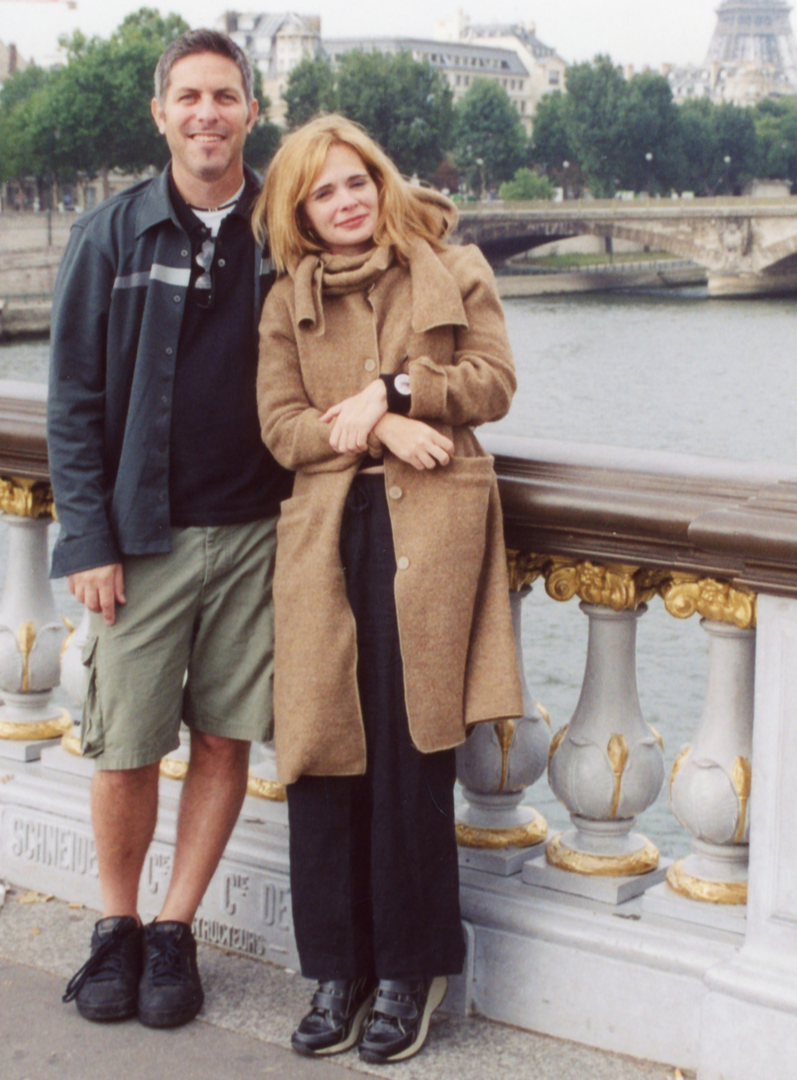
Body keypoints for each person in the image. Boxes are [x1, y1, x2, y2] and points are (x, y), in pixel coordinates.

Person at [253, 115, 523, 1064]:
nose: (348, 201)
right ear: (303, 212)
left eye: (357, 180)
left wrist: (399, 394)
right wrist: (374, 430)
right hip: (329, 538)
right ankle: (339, 969)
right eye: (324, 192)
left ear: (381, 179)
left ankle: (410, 970)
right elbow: (281, 430)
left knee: (414, 756)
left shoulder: (453, 265)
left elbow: (492, 381)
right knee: (325, 755)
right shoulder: (287, 301)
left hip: (431, 536)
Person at [46, 29, 288, 1031]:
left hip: (259, 532)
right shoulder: (111, 234)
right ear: (161, 114)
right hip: (142, 536)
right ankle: (116, 925)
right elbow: (71, 400)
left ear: (251, 111)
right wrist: (88, 537)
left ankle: (174, 929)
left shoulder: (289, 227)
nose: (207, 114)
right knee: (128, 744)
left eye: (224, 96)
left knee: (226, 736)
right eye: (189, 97)